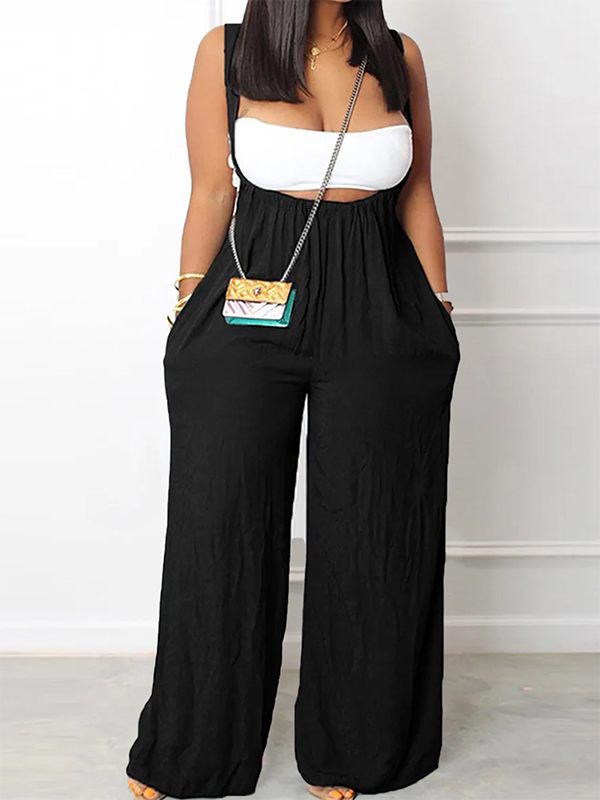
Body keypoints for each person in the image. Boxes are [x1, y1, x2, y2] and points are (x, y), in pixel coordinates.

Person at [126, 1, 460, 798]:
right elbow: (213, 190)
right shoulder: (228, 51)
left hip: (383, 310)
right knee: (219, 527)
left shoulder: (399, 54)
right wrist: (186, 307)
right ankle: (195, 749)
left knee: (374, 526)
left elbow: (416, 191)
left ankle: (360, 748)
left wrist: (440, 309)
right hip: (248, 305)